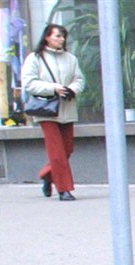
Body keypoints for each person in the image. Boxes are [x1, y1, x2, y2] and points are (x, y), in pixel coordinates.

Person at [20, 23, 83, 201]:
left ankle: (48, 175)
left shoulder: (70, 58)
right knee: (56, 152)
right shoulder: (35, 58)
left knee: (67, 149)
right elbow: (29, 83)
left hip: (67, 108)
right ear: (47, 37)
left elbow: (79, 79)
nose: (61, 39)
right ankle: (64, 190)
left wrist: (72, 89)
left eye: (63, 36)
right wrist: (53, 88)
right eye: (57, 36)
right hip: (47, 111)